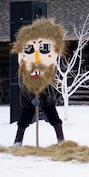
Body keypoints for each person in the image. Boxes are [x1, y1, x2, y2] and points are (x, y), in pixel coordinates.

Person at [11, 18, 66, 146]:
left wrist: (53, 81)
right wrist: (31, 98)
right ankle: (17, 142)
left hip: (47, 96)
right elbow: (23, 85)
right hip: (30, 98)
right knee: (24, 120)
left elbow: (50, 77)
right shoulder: (25, 69)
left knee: (54, 119)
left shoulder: (46, 66)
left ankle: (62, 141)